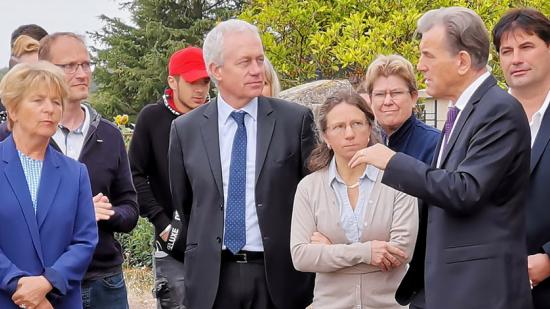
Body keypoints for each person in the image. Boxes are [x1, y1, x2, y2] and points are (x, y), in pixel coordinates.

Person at [348, 7, 533, 309]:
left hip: (480, 291)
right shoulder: (464, 111)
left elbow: (465, 190)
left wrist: (392, 161)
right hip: (449, 286)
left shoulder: (498, 110)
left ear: (461, 61)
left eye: (427, 56)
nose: (420, 66)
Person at [168, 19, 315, 309]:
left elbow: (310, 196)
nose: (257, 69)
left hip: (279, 277)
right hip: (212, 279)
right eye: (245, 61)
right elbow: (186, 203)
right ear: (216, 70)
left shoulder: (294, 121)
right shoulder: (186, 129)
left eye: (259, 59)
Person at [37, 32, 138, 309]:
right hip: (41, 283)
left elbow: (130, 208)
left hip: (104, 281)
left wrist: (110, 213)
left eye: (86, 64)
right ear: (45, 71)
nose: (81, 73)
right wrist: (79, 213)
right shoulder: (20, 136)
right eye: (69, 66)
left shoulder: (109, 135)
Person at [290, 91, 418, 308]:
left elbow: (401, 252)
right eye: (338, 127)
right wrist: (366, 252)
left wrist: (330, 252)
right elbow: (301, 256)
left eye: (357, 123)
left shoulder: (397, 180)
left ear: (370, 128)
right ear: (325, 136)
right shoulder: (309, 188)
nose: (349, 133)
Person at [0, 61, 98, 309]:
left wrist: (47, 282)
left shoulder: (75, 173)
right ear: (13, 110)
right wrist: (19, 285)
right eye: (38, 100)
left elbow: (85, 240)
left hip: (59, 301)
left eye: (56, 102)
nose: (50, 109)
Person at [129, 46, 210, 308]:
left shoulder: (217, 117)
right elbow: (135, 174)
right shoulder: (152, 118)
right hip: (171, 243)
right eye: (192, 82)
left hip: (214, 240)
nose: (200, 89)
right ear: (172, 81)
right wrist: (162, 223)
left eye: (205, 81)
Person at [493, 8, 550, 308]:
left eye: (526, 46)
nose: (516, 58)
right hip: (490, 285)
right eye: (506, 51)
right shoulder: (484, 118)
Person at [364, 54, 440, 164]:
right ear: (371, 100)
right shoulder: (366, 142)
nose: (388, 101)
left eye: (396, 93)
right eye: (380, 94)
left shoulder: (435, 145)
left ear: (413, 97)